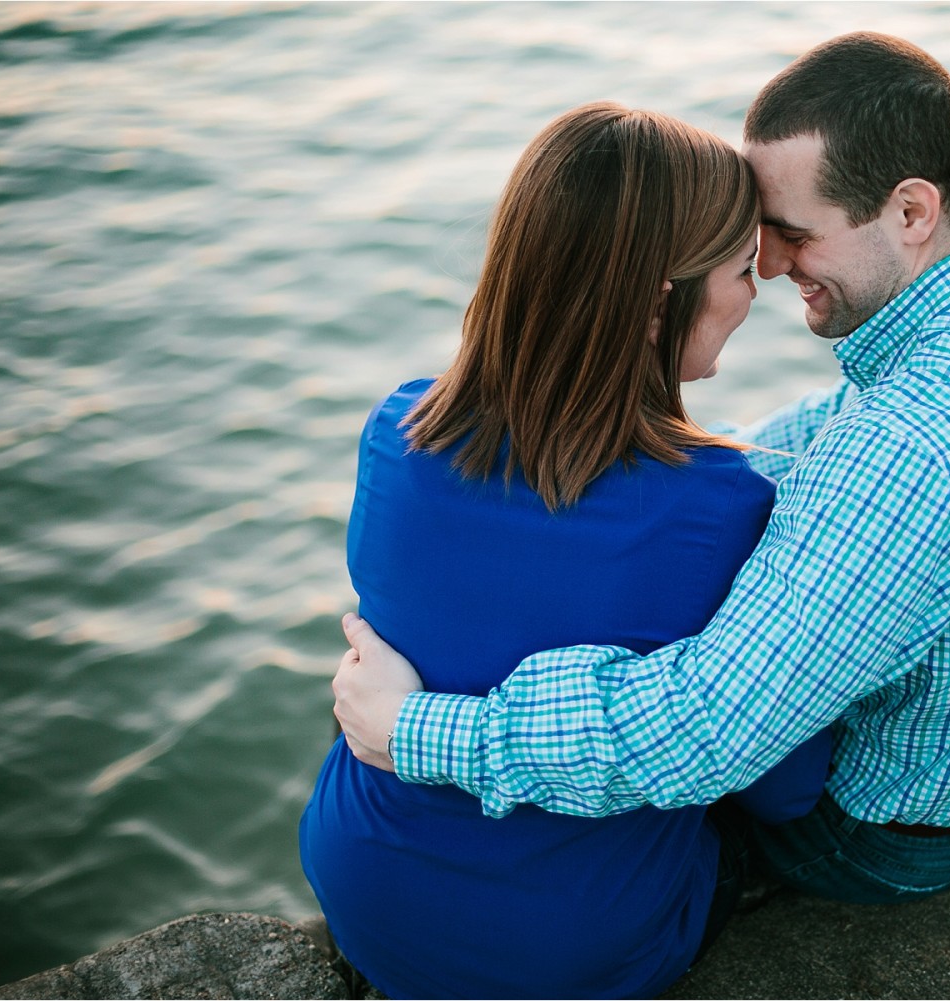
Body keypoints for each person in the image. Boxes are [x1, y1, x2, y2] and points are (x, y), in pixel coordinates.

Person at [333, 32, 950, 907]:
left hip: (896, 836)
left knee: (629, 826)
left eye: (791, 233)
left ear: (911, 212)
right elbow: (825, 435)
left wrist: (414, 730)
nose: (770, 266)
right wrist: (647, 472)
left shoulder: (906, 452)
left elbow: (701, 729)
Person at [300, 101, 832, 1000]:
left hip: (365, 892)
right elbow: (782, 780)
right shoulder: (723, 506)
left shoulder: (398, 430)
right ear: (662, 305)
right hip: (567, 952)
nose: (759, 289)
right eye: (744, 268)